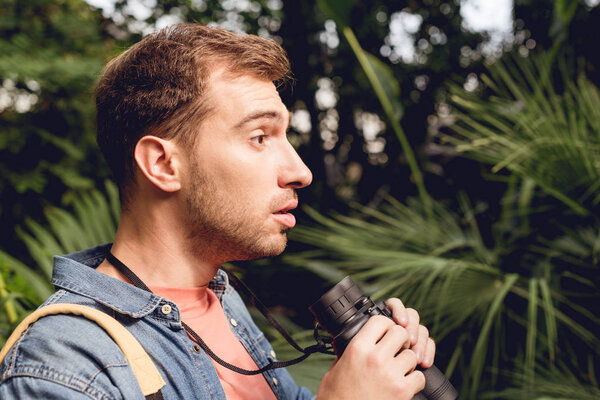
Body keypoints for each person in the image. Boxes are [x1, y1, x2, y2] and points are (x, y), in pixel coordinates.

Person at [0, 23, 435, 399]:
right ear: (163, 164)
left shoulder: (223, 303)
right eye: (260, 137)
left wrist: (364, 373)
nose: (300, 171)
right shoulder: (66, 367)